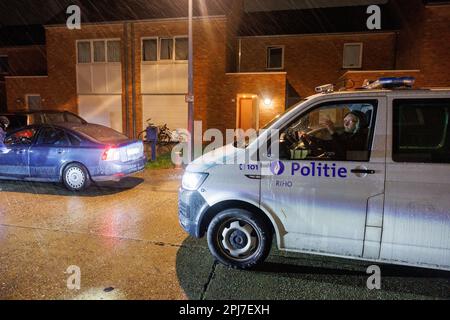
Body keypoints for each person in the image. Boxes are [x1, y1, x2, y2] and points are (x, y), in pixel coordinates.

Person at [299, 110, 369, 160]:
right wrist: (310, 138)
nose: (346, 124)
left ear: (359, 124)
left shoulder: (362, 139)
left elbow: (344, 153)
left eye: (350, 121)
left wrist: (332, 131)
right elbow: (329, 144)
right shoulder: (347, 135)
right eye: (345, 121)